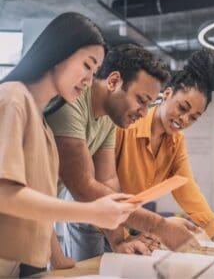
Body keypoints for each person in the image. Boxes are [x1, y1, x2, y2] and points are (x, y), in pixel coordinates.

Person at [0, 12, 139, 278]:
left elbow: (37, 203)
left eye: (95, 71)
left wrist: (58, 257)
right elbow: (5, 194)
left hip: (26, 265)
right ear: (59, 52)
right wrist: (90, 212)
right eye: (87, 65)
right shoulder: (13, 98)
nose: (89, 80)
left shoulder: (42, 124)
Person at [46, 43, 199, 263]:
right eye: (141, 100)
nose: (145, 112)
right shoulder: (71, 103)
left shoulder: (109, 119)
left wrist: (119, 241)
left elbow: (108, 179)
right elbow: (83, 188)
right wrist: (160, 226)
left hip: (36, 219)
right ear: (114, 81)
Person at [116, 49, 214, 259]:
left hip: (128, 226)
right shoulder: (127, 126)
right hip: (95, 226)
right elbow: (104, 191)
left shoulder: (175, 142)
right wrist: (158, 228)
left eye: (194, 117)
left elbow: (191, 196)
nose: (184, 119)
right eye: (182, 107)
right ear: (167, 94)